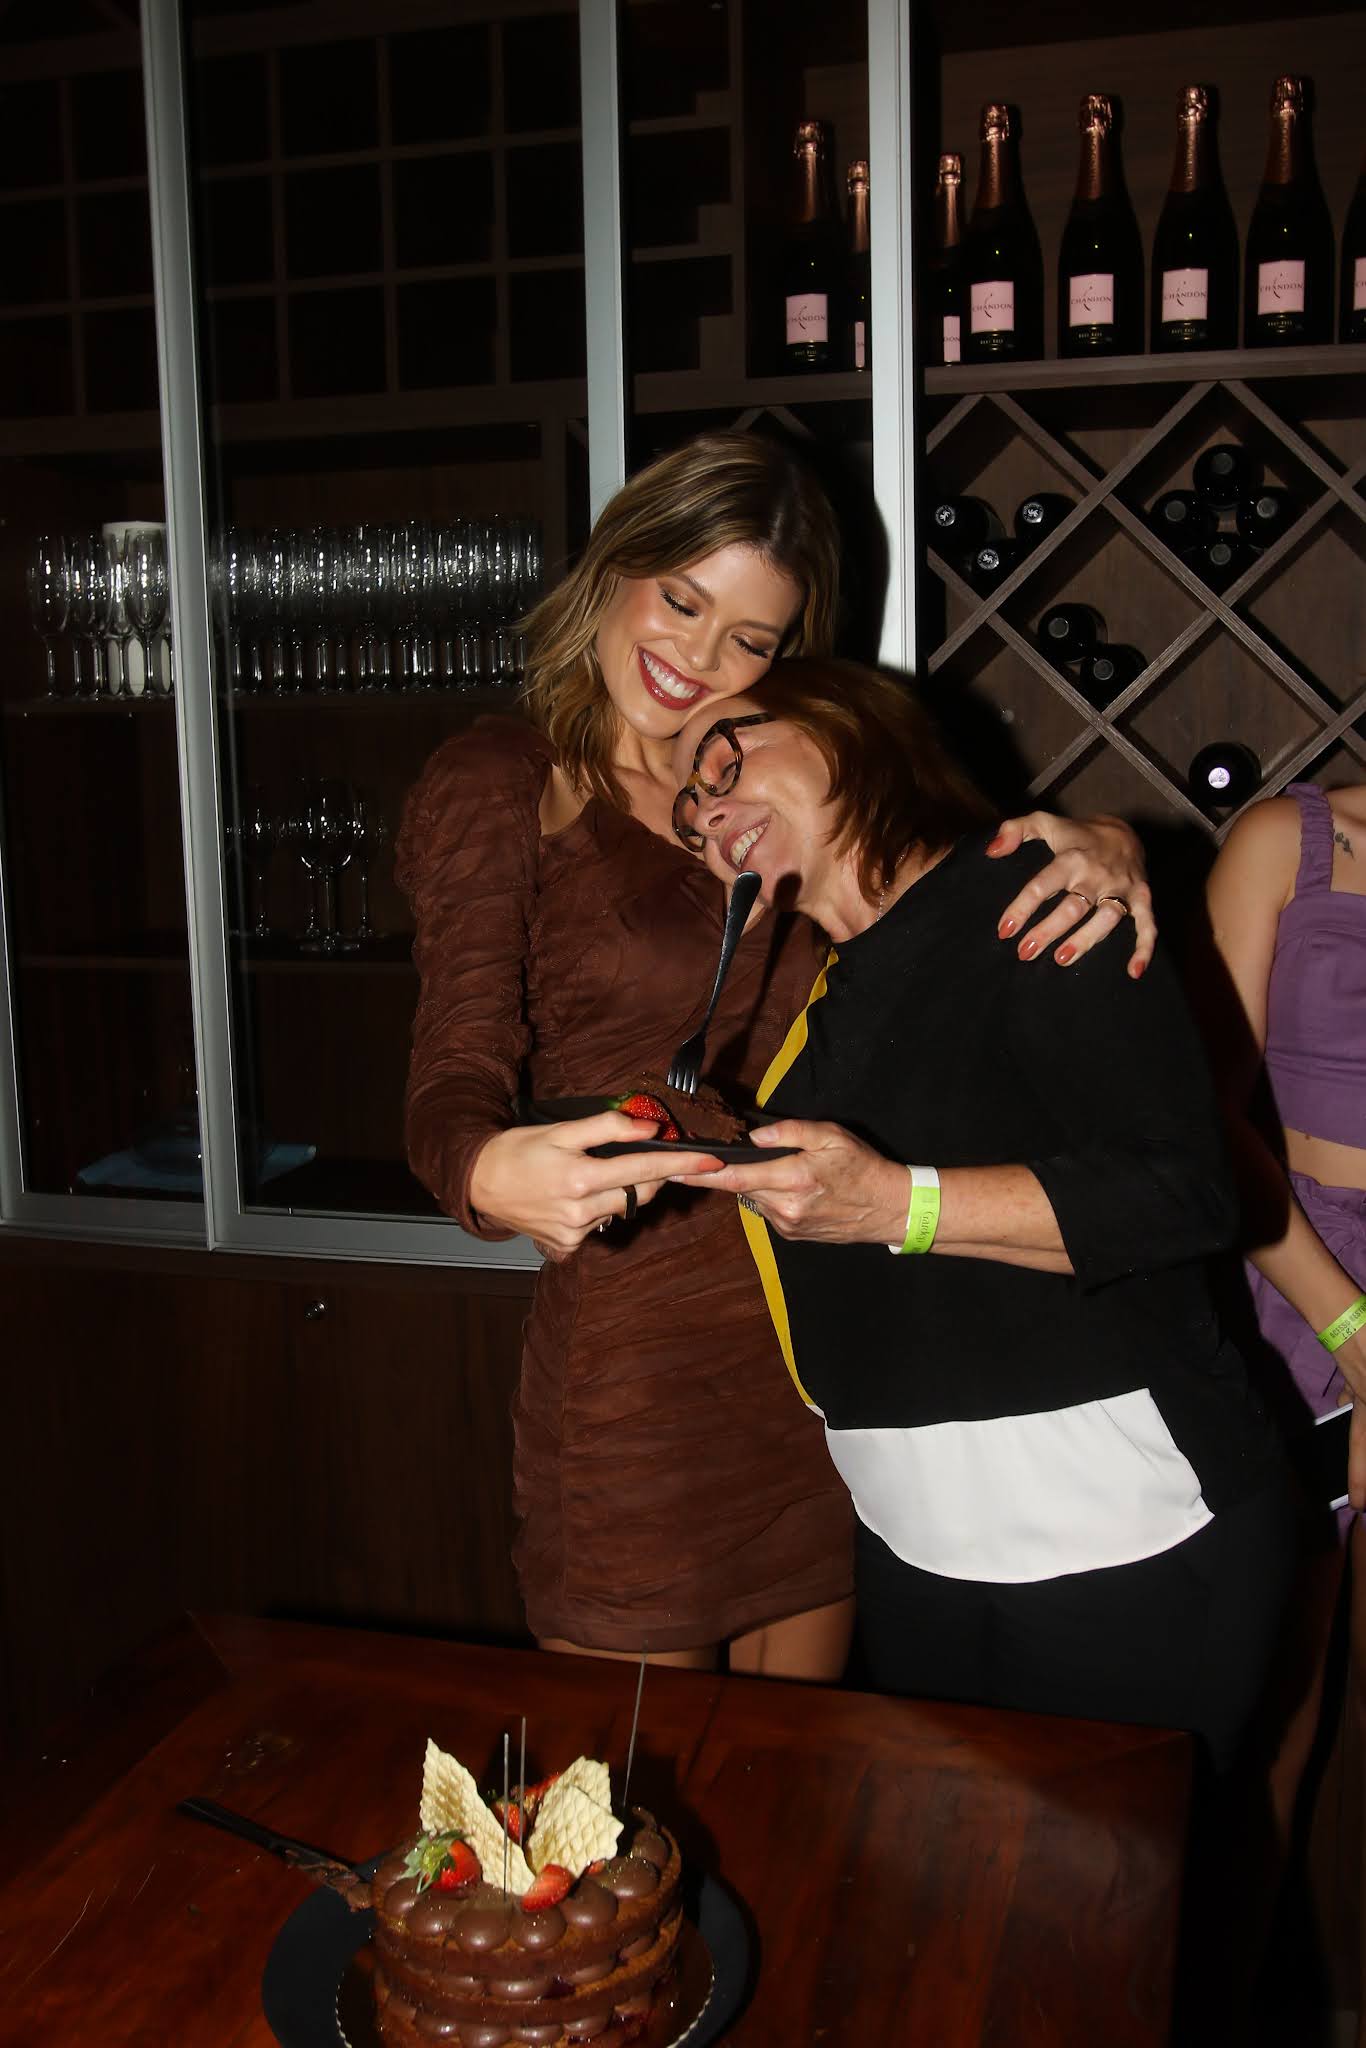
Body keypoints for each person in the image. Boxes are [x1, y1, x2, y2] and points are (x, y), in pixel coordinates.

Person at [395, 430, 1156, 1680]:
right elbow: (450, 1070)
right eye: (681, 600)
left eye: (748, 638)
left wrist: (1105, 838)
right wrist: (482, 1172)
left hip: (827, 1339)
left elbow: (961, 898)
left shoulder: (789, 770)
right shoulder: (508, 778)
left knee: (796, 1775)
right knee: (631, 1792)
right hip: (641, 1361)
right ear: (615, 566)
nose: (698, 659)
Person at [671, 655, 1295, 1766]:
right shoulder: (825, 1001)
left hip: (1124, 1539)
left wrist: (894, 1205)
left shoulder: (1038, 894)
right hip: (914, 1553)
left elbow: (1182, 1193)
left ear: (846, 726)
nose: (708, 814)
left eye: (726, 760)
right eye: (689, 812)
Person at [1193, 783, 1366, 2042]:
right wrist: (1357, 1336)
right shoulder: (1287, 839)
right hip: (1291, 1291)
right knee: (1272, 1724)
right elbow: (1197, 1120)